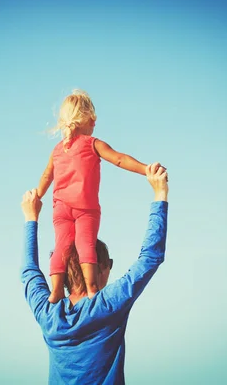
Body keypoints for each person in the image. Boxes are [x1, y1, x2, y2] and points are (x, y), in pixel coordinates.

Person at [21, 162, 169, 384]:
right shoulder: (108, 305)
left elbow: (29, 270)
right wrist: (160, 193)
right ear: (99, 266)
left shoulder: (48, 314)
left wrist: (30, 217)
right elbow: (150, 257)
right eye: (109, 262)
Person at [36, 89, 148, 303]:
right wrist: (146, 169)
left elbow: (46, 176)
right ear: (86, 119)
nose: (95, 123)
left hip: (60, 208)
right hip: (84, 208)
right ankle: (92, 289)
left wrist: (37, 196)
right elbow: (119, 159)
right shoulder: (93, 143)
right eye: (93, 119)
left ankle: (57, 290)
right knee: (84, 244)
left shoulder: (58, 150)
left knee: (62, 246)